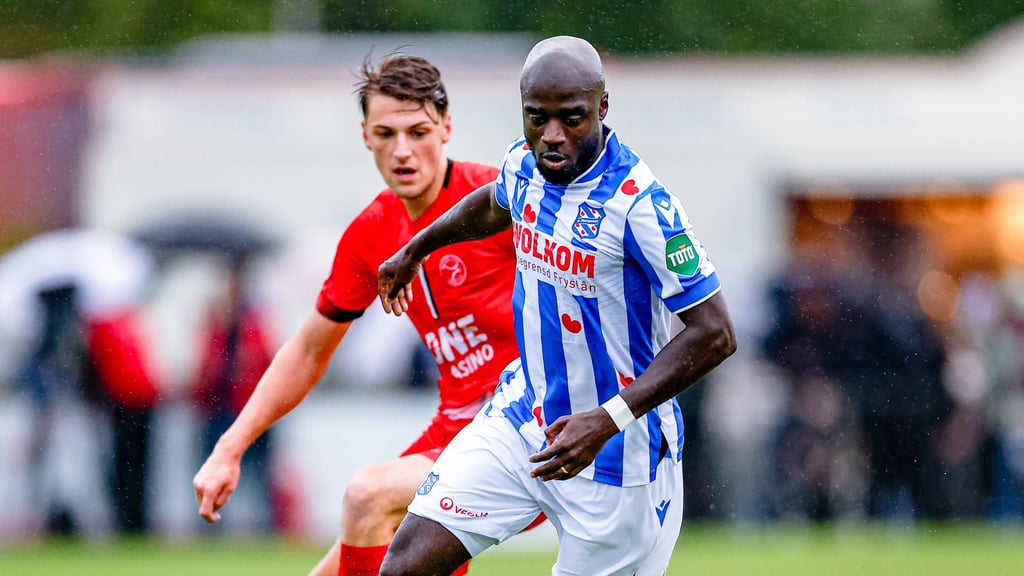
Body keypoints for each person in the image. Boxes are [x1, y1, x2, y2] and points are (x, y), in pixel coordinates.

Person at [377, 36, 736, 576]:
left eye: (571, 118)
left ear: (602, 107)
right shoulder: (524, 164)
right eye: (536, 117)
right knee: (404, 566)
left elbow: (715, 333)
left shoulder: (640, 206)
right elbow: (496, 202)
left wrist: (607, 419)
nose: (551, 135)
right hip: (524, 416)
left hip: (619, 456)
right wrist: (416, 248)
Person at [192, 53, 523, 576]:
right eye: (386, 134)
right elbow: (309, 350)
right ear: (365, 136)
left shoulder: (500, 202)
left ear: (446, 128)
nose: (402, 150)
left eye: (418, 132)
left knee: (369, 494)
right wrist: (228, 448)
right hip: (457, 430)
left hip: (530, 424)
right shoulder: (370, 233)